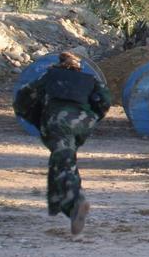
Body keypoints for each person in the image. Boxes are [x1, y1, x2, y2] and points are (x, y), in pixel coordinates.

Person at [13, 51, 111, 234]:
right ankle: (65, 205)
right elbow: (105, 101)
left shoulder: (49, 76)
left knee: (62, 163)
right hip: (83, 123)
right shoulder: (89, 79)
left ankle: (74, 203)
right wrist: (92, 118)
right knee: (66, 158)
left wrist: (34, 117)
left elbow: (22, 97)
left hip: (58, 121)